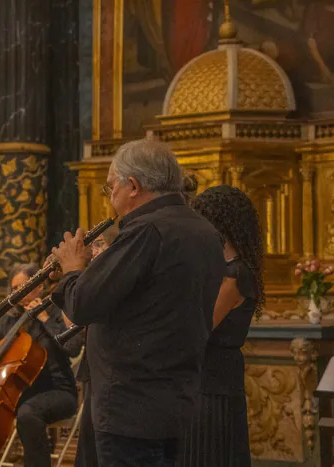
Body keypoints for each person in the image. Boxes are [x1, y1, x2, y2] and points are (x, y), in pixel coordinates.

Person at [51, 138, 226, 466]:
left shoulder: (146, 232)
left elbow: (82, 305)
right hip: (175, 398)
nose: (110, 197)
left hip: (129, 404)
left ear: (132, 185)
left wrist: (73, 269)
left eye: (110, 188)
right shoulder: (203, 231)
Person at [0, 263, 84, 467]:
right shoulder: (11, 319)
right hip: (21, 393)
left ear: (38, 286)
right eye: (14, 289)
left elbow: (72, 347)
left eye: (22, 287)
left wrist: (44, 318)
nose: (18, 293)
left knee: (28, 413)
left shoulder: (55, 310)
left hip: (58, 390)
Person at [179, 185, 265, 467]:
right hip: (201, 380)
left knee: (208, 455)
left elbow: (200, 322)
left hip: (214, 384)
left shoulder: (237, 273)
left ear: (220, 224)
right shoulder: (218, 267)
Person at [64, 226, 119, 467]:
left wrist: (71, 275)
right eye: (93, 245)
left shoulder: (111, 278)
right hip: (94, 368)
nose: (93, 251)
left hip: (111, 370)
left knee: (97, 447)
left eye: (99, 244)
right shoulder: (92, 277)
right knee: (88, 443)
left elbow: (79, 319)